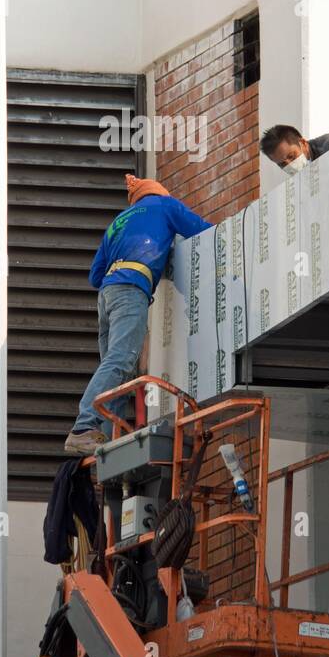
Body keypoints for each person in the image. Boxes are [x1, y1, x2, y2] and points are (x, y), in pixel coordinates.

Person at [64, 174, 211, 456]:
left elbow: (95, 276)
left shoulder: (117, 222)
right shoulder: (166, 206)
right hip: (131, 290)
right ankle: (83, 428)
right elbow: (201, 229)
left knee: (118, 371)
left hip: (106, 295)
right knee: (121, 360)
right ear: (158, 193)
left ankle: (105, 441)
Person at [260, 123, 329, 174]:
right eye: (282, 164)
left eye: (292, 156)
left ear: (303, 144)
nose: (290, 165)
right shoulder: (305, 177)